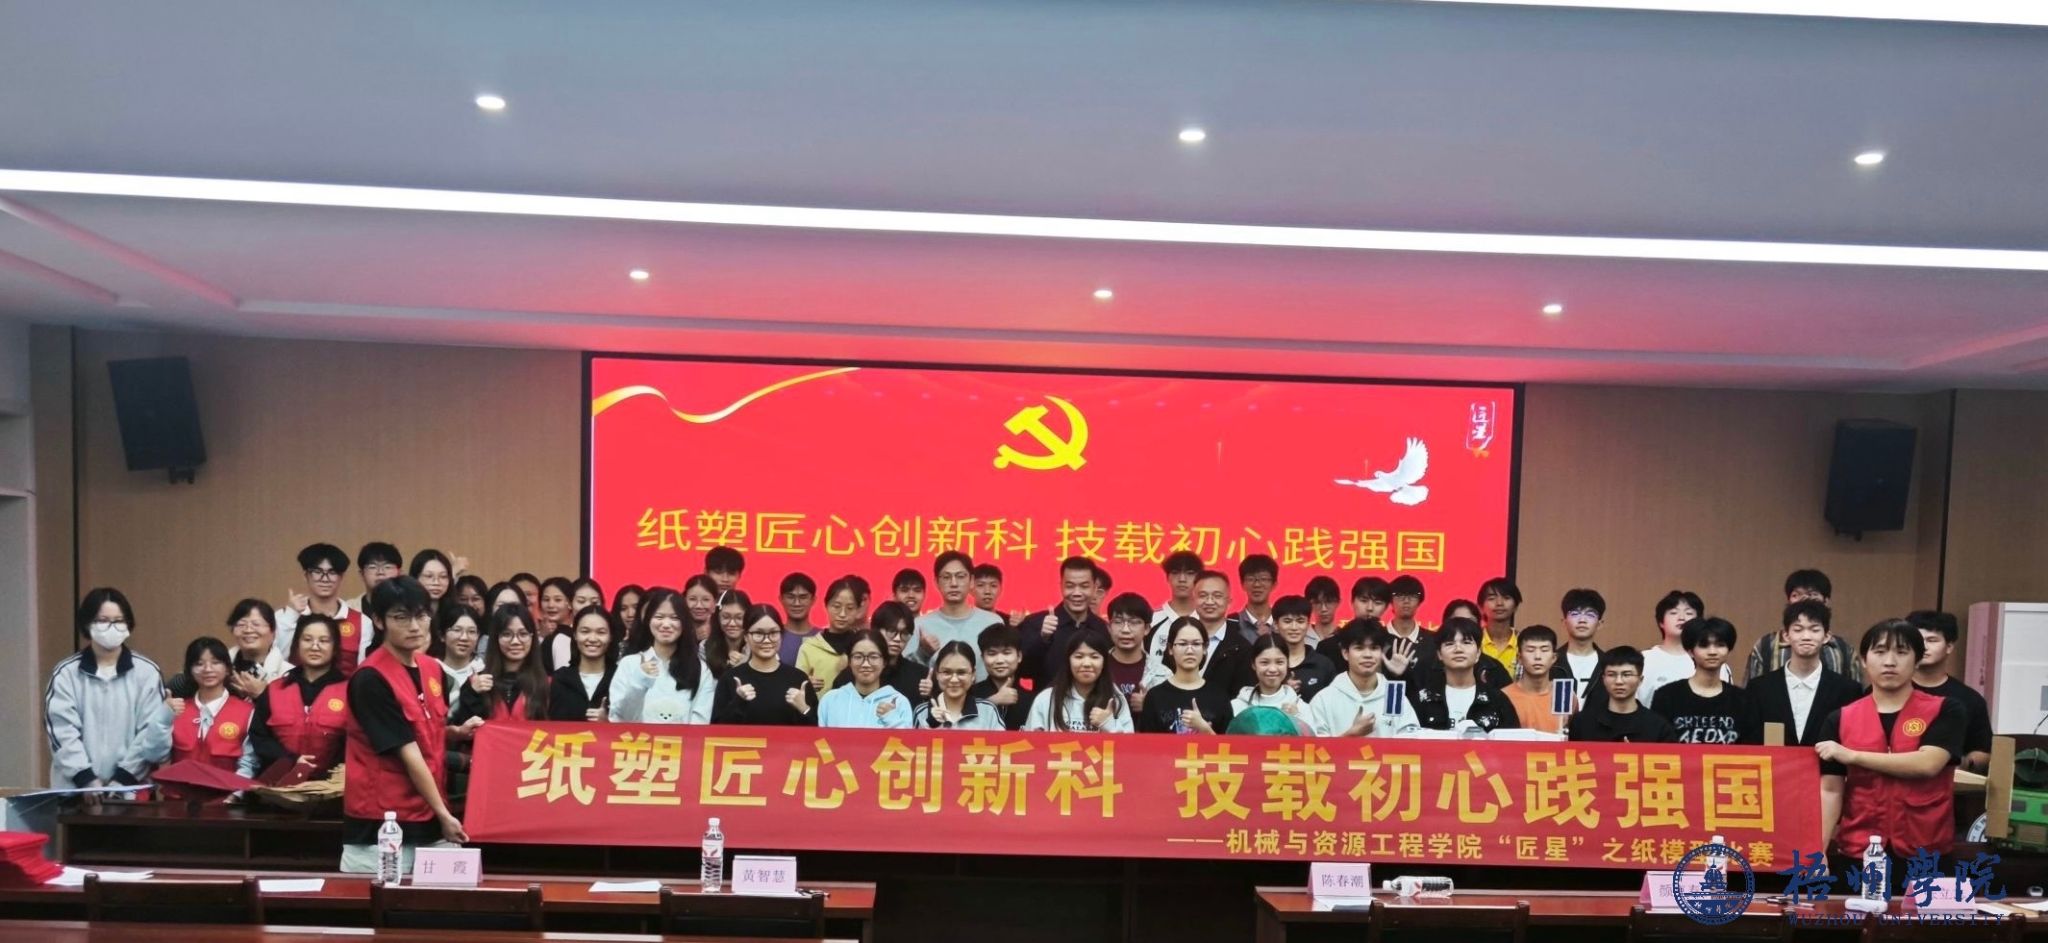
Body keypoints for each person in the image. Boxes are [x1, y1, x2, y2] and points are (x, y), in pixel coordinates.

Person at [1814, 619, 1968, 870]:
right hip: (1859, 848)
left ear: (1917, 660)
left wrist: (1853, 756)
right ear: (1864, 660)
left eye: (1901, 652)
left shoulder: (1945, 709)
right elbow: (1830, 791)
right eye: (1879, 651)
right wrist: (1818, 849)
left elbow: (1928, 764)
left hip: (1926, 849)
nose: (1889, 661)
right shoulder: (1840, 718)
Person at [341, 576, 466, 874]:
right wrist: (444, 814)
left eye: (421, 615)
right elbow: (408, 752)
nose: (414, 626)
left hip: (430, 818)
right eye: (401, 617)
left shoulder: (433, 669)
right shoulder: (370, 679)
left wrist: (454, 733)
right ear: (379, 621)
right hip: (381, 826)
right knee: (380, 902)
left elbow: (425, 732)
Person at [44, 588, 171, 792]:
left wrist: (124, 778)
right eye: (103, 620)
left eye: (119, 621)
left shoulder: (147, 672)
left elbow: (150, 731)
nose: (112, 627)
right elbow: (61, 731)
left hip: (131, 790)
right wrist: (85, 778)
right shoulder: (66, 673)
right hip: (75, 790)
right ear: (87, 623)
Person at [247, 615, 349, 781]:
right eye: (307, 639)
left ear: (335, 647)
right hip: (278, 786)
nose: (315, 646)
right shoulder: (275, 690)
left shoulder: (350, 691)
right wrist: (291, 761)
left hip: (332, 787)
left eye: (324, 641)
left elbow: (357, 742)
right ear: (297, 644)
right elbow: (259, 737)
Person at [1750, 601, 1861, 747]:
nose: (1806, 636)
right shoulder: (1759, 688)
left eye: (1814, 630)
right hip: (1774, 762)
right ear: (1786, 635)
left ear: (1826, 636)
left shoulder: (1847, 690)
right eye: (1798, 630)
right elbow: (1751, 743)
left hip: (1827, 763)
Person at [608, 588, 716, 724]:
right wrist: (640, 680)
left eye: (674, 618)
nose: (666, 624)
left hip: (680, 738)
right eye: (659, 617)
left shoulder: (700, 669)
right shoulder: (629, 664)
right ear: (648, 620)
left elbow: (700, 722)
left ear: (684, 623)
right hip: (639, 738)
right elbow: (619, 718)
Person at [1905, 610, 1992, 773]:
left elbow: (1983, 750)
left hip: (1949, 780)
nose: (1923, 646)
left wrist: (1964, 763)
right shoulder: (1886, 690)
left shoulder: (1970, 699)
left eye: (1932, 640)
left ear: (1949, 646)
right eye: (1917, 639)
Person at [1651, 617, 1758, 744]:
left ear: (1728, 650)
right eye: (1704, 645)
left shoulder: (1743, 700)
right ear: (1690, 651)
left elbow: (1751, 749)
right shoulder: (1666, 696)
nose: (1712, 652)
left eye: (1720, 645)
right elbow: (1657, 746)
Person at [1743, 569, 1861, 685]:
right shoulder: (1765, 645)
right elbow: (1752, 690)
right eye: (1796, 595)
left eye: (1812, 594)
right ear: (1788, 600)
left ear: (1826, 601)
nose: (1804, 600)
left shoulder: (1844, 649)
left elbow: (1855, 693)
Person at [1306, 621, 1418, 738]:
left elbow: (1412, 740)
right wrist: (1351, 735)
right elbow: (1314, 747)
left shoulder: (1394, 696)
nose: (1367, 655)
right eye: (1359, 648)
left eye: (1374, 648)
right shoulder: (1325, 699)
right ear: (1345, 653)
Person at [166, 636, 259, 778]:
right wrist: (162, 716)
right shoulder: (177, 709)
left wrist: (234, 790)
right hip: (179, 790)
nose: (208, 669)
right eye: (199, 664)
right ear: (189, 670)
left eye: (216, 662)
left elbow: (249, 763)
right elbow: (156, 756)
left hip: (227, 790)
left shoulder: (247, 711)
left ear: (228, 669)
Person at [276, 543, 373, 676]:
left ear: (341, 577)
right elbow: (277, 661)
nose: (325, 579)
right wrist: (290, 616)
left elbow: (363, 672)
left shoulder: (362, 622)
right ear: (305, 575)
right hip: (295, 687)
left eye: (332, 572)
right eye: (317, 572)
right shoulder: (285, 616)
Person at [713, 605, 818, 726]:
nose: (767, 640)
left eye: (773, 633)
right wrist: (738, 702)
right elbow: (716, 730)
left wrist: (804, 709)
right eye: (758, 633)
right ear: (746, 636)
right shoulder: (730, 679)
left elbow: (818, 730)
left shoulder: (798, 679)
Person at [1410, 618, 1518, 732]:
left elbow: (1513, 740)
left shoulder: (1497, 700)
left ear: (1478, 653)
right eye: (1449, 644)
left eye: (1466, 643)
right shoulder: (1422, 699)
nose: (1458, 649)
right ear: (1439, 654)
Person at [1020, 557, 1111, 688]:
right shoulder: (1035, 623)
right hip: (1048, 700)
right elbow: (1023, 671)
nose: (1077, 593)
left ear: (1094, 588)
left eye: (1084, 586)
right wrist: (1043, 639)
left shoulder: (1102, 629)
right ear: (1061, 586)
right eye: (1070, 586)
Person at [452, 605, 551, 725]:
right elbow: (465, 731)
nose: (515, 641)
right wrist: (473, 694)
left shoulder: (548, 684)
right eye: (507, 634)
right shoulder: (476, 683)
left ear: (532, 637)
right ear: (496, 638)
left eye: (523, 634)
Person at [1023, 629, 1133, 733]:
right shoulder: (1046, 699)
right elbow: (1030, 742)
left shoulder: (1115, 699)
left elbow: (1131, 744)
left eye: (1094, 657)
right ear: (1068, 661)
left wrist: (1110, 724)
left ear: (1104, 662)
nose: (1086, 663)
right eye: (1079, 657)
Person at [1137, 617, 1234, 734]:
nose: (1189, 651)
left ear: (1204, 648)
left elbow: (1230, 743)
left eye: (1196, 644)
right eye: (1182, 644)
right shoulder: (1155, 696)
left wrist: (1205, 729)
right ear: (1170, 648)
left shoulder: (1219, 696)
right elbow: (1146, 743)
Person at [913, 552, 1002, 678]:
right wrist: (922, 653)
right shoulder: (920, 625)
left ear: (972, 581)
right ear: (936, 582)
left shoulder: (993, 623)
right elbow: (907, 673)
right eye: (946, 577)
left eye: (960, 576)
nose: (954, 583)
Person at [1567, 647, 1677, 743]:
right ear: (1603, 679)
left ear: (1640, 680)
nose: (1619, 681)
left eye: (1626, 674)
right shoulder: (1582, 723)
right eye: (1612, 675)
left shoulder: (1658, 727)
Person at [817, 630, 913, 728]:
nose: (866, 664)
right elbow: (821, 737)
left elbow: (907, 737)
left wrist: (892, 719)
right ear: (849, 662)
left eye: (873, 657)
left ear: (884, 662)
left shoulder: (898, 702)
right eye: (858, 657)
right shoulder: (830, 700)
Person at [838, 601, 926, 702]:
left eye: (904, 633)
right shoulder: (853, 674)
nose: (898, 639)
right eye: (891, 631)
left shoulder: (920, 677)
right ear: (875, 630)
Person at [1639, 590, 1710, 708]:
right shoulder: (1644, 659)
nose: (1681, 618)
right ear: (1661, 622)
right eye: (1673, 612)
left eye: (1689, 613)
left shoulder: (1710, 659)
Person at [548, 605, 618, 722]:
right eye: (585, 631)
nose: (592, 639)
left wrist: (608, 722)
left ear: (611, 636)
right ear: (575, 635)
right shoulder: (559, 679)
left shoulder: (621, 679)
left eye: (601, 632)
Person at [797, 576, 865, 695]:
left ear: (858, 610)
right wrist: (805, 684)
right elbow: (795, 685)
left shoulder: (863, 646)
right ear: (826, 605)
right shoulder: (809, 647)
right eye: (836, 606)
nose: (842, 614)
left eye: (850, 608)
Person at [915, 643, 1004, 730]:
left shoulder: (988, 711)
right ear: (937, 674)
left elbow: (1002, 739)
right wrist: (930, 725)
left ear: (973, 674)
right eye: (947, 672)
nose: (954, 679)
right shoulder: (922, 712)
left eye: (961, 672)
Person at [1270, 595, 1338, 701]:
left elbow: (1333, 703)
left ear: (1308, 624)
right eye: (1287, 621)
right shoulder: (1266, 664)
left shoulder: (1323, 664)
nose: (1294, 627)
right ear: (1275, 625)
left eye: (1300, 621)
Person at [1501, 625, 1565, 734]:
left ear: (1554, 658)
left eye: (1544, 650)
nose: (1537, 656)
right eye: (1530, 650)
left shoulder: (1565, 695)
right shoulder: (1503, 697)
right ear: (1519, 658)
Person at [971, 623, 1034, 730]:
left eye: (1006, 653)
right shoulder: (970, 694)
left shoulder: (1033, 700)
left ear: (1019, 656)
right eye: (992, 654)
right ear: (983, 658)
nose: (1000, 660)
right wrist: (991, 702)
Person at [225, 598, 290, 698]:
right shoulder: (221, 669)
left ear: (273, 632)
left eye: (256, 624)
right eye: (241, 624)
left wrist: (261, 695)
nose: (248, 630)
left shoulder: (288, 673)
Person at [1103, 593, 1158, 710]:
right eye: (1118, 622)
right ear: (1109, 627)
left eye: (1134, 622)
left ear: (1147, 629)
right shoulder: (1095, 667)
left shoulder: (1161, 674)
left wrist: (1150, 707)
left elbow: (1172, 716)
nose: (1125, 630)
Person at [1231, 635, 1304, 720]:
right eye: (1264, 662)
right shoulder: (1237, 707)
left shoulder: (1300, 708)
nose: (1272, 669)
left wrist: (1296, 720)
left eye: (1279, 662)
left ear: (1287, 663)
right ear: (1253, 664)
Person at [1379, 575, 1435, 681]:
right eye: (1399, 595)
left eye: (1412, 596)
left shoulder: (1433, 640)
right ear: (1390, 601)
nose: (1406, 601)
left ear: (1419, 601)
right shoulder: (1378, 638)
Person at [1557, 588, 1607, 707]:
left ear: (1600, 624)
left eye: (1590, 614)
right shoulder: (1552, 662)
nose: (1582, 620)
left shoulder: (1608, 664)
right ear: (1564, 622)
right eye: (1575, 614)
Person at [430, 599, 485, 703]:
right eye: (457, 630)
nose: (464, 637)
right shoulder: (430, 670)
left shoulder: (483, 671)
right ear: (442, 635)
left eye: (471, 631)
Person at [1148, 552, 1204, 648]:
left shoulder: (1208, 621)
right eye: (1175, 573)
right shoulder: (1152, 621)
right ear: (1167, 577)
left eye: (1190, 573)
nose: (1182, 579)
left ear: (1199, 578)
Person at [552, 578, 605, 670]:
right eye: (581, 601)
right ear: (569, 604)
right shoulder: (562, 638)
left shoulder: (610, 635)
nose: (588, 606)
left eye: (594, 602)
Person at [1477, 577, 1522, 675]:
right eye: (1492, 598)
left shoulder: (1523, 642)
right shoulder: (1474, 641)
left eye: (1506, 598)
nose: (1499, 603)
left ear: (1516, 606)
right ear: (1480, 607)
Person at [701, 590, 751, 679]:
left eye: (739, 618)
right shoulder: (704, 647)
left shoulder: (759, 647)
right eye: (726, 617)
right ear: (717, 617)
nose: (732, 623)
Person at [1231, 555, 1280, 643]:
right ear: (1242, 584)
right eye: (1251, 579)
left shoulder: (1283, 624)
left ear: (1274, 584)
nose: (1257, 585)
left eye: (1263, 579)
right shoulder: (1231, 623)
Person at [353, 541, 405, 621]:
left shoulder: (410, 607)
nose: (380, 572)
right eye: (373, 567)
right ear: (362, 574)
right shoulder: (348, 609)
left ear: (399, 573)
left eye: (387, 567)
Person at [776, 573, 819, 664]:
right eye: (790, 597)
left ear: (813, 600)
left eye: (803, 597)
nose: (797, 603)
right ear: (781, 599)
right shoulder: (773, 636)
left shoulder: (823, 637)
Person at [536, 577, 576, 661]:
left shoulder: (578, 632)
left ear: (570, 603)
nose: (551, 605)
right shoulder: (534, 635)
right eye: (546, 600)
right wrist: (542, 636)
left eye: (558, 600)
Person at [680, 575, 720, 645]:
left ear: (715, 603)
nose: (699, 606)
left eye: (706, 599)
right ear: (684, 600)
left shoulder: (723, 631)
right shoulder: (674, 630)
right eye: (692, 599)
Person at [1303, 576, 1343, 645]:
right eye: (1317, 603)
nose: (1323, 609)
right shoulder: (1301, 637)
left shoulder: (1345, 638)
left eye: (1329, 602)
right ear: (1308, 604)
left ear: (1338, 602)